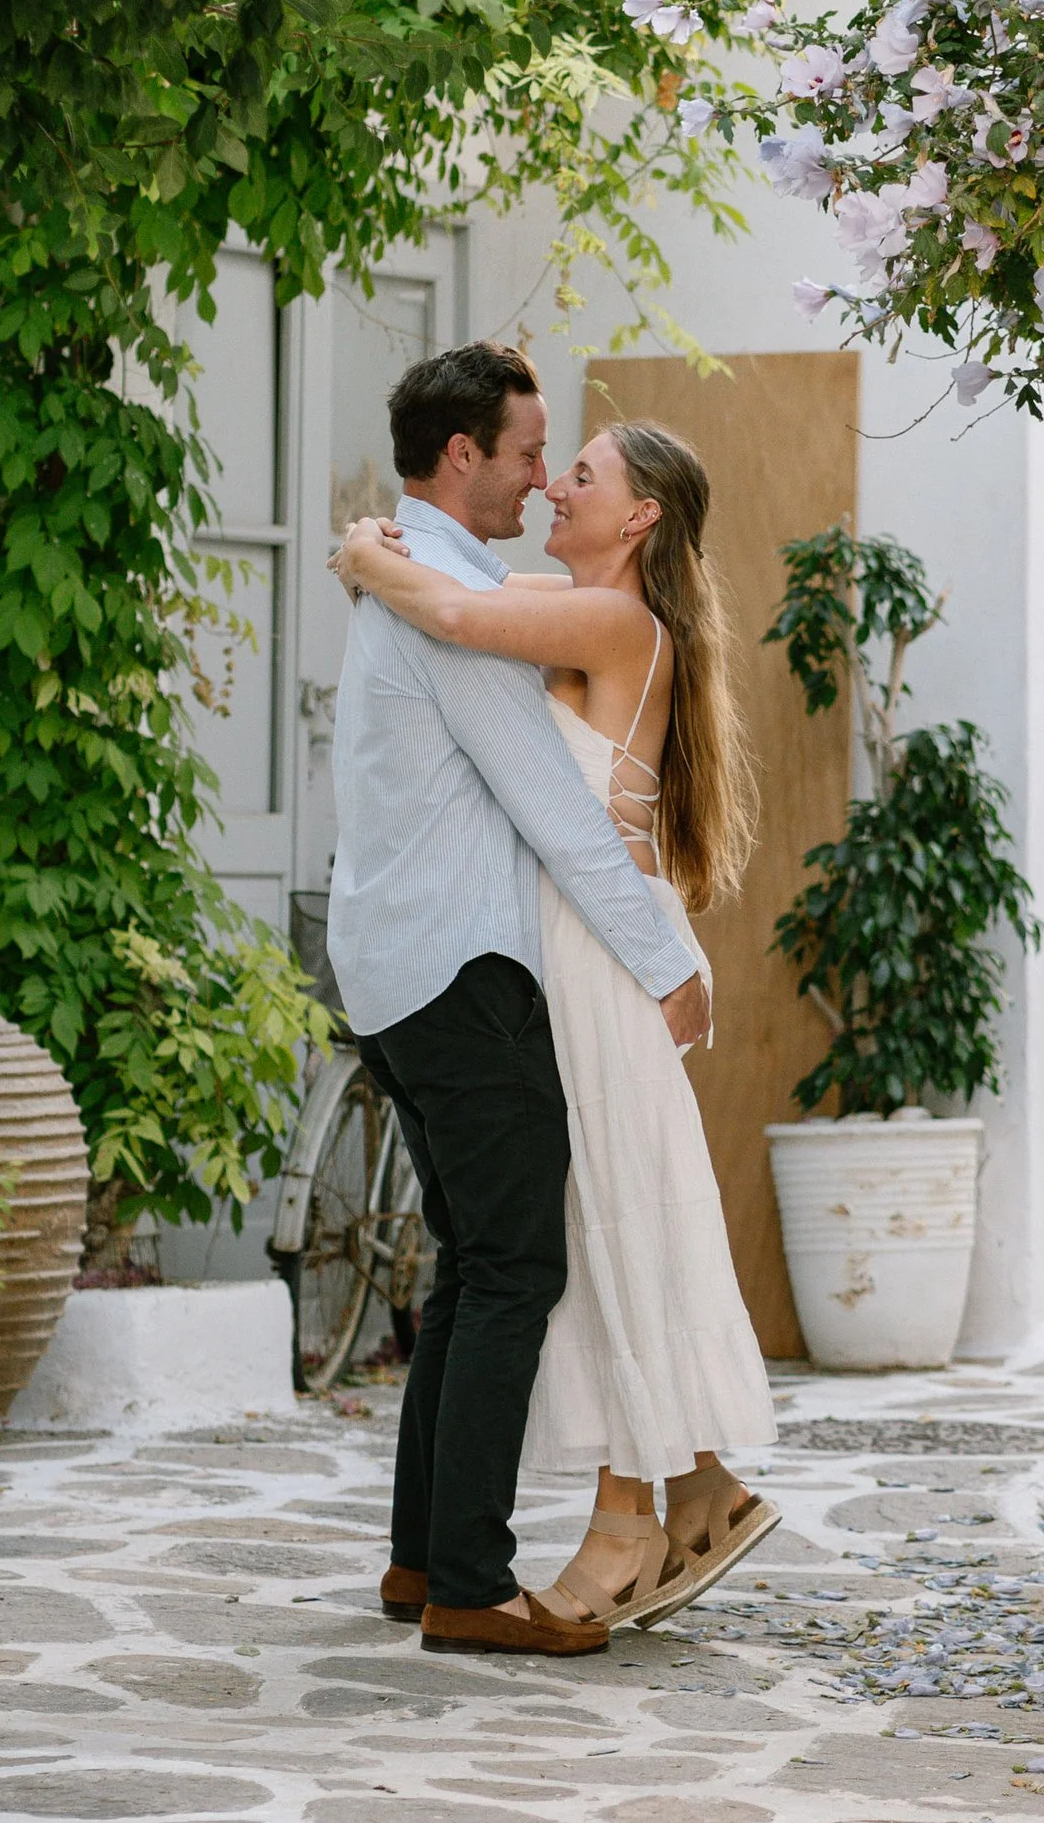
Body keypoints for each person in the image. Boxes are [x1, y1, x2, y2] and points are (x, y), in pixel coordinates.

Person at [334, 397, 781, 1630]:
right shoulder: (570, 600)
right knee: (577, 1230)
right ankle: (680, 1493)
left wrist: (369, 554)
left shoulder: (610, 614)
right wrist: (402, 553)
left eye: (575, 472)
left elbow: (462, 613)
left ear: (637, 516)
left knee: (607, 1223)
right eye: (544, 461)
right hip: (561, 955)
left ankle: (639, 1511)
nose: (552, 487)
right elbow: (465, 603)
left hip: (596, 954)